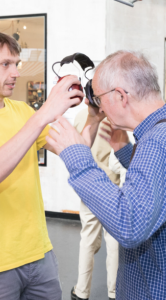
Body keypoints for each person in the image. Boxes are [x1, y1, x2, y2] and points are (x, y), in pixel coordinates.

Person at [45, 50, 166, 299]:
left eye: (97, 97)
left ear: (120, 96)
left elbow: (129, 224)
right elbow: (162, 189)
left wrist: (77, 156)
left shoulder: (158, 141)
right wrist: (124, 151)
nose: (94, 104)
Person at [0, 30, 83, 300]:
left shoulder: (22, 111)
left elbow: (76, 149)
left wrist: (95, 115)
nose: (16, 73)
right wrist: (44, 113)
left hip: (39, 254)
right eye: (5, 64)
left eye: (17, 64)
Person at [71, 109, 119, 300]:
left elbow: (76, 149)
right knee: (113, 242)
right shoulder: (116, 116)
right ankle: (114, 293)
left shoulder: (81, 117)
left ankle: (81, 292)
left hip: (89, 184)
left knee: (87, 240)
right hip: (113, 186)